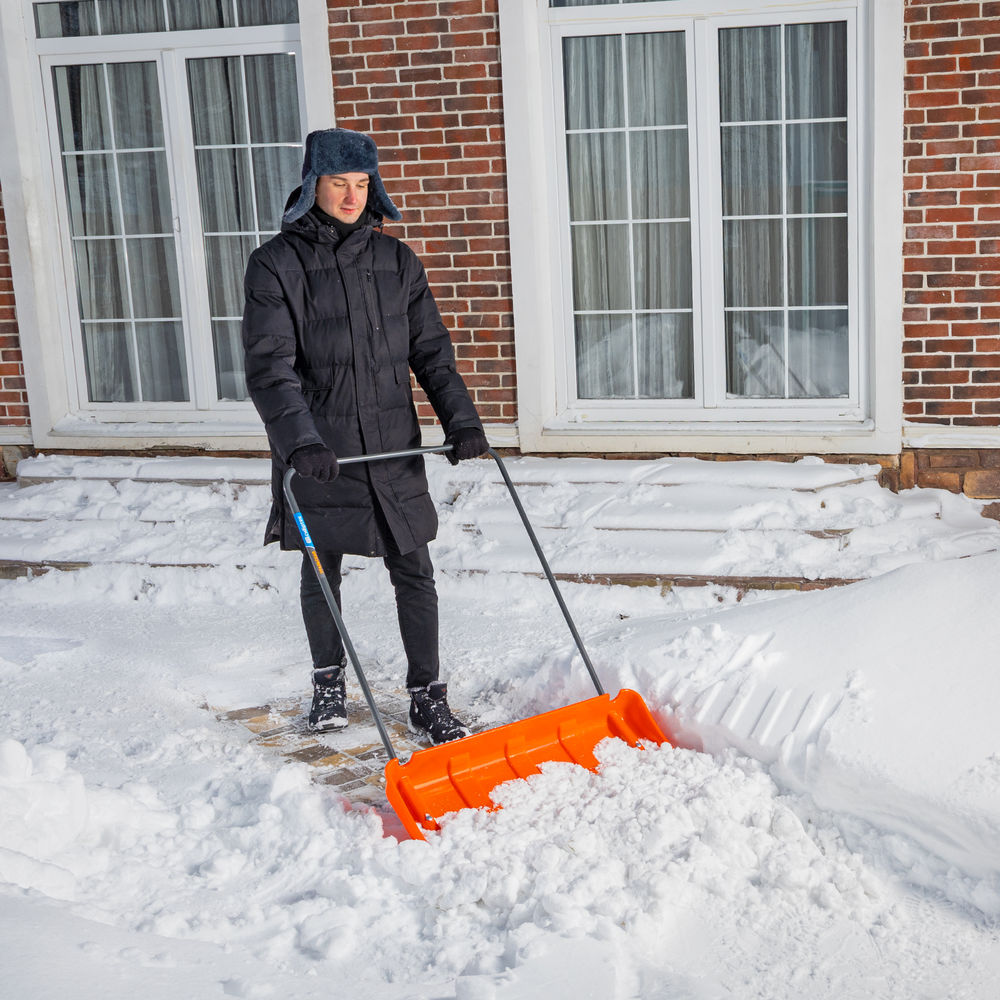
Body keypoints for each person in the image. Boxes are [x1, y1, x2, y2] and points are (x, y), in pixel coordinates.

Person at [241, 127, 488, 744]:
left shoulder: (396, 260)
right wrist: (300, 442)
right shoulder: (275, 263)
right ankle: (328, 686)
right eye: (338, 183)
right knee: (322, 567)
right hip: (320, 450)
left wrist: (462, 420)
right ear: (312, 185)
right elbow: (270, 367)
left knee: (415, 566)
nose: (352, 197)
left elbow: (432, 352)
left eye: (361, 183)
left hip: (390, 441)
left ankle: (427, 697)